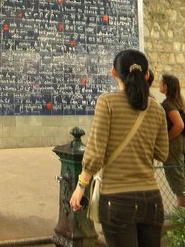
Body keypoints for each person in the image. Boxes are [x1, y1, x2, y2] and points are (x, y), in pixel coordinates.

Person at [69, 49, 168, 247]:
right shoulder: (156, 108)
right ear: (147, 75)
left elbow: (96, 154)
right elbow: (162, 153)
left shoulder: (107, 102)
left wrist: (81, 186)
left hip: (117, 199)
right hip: (152, 199)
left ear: (114, 72)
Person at [160, 73, 185, 208]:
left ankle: (181, 210)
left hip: (175, 146)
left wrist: (166, 139)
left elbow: (179, 125)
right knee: (181, 176)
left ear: (166, 86)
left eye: (161, 82)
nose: (159, 84)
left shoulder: (168, 103)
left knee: (176, 176)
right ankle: (183, 209)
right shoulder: (178, 101)